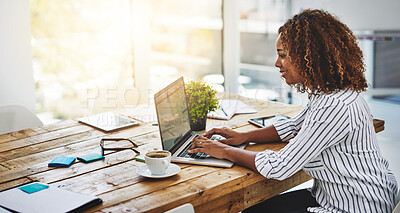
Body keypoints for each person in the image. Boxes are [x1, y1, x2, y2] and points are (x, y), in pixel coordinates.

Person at [188, 9, 399, 213]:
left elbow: (280, 167)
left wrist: (222, 151)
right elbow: (292, 126)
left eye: (282, 55)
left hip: (356, 206)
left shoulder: (334, 106)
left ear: (309, 57)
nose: (277, 63)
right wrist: (243, 136)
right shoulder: (329, 93)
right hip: (338, 195)